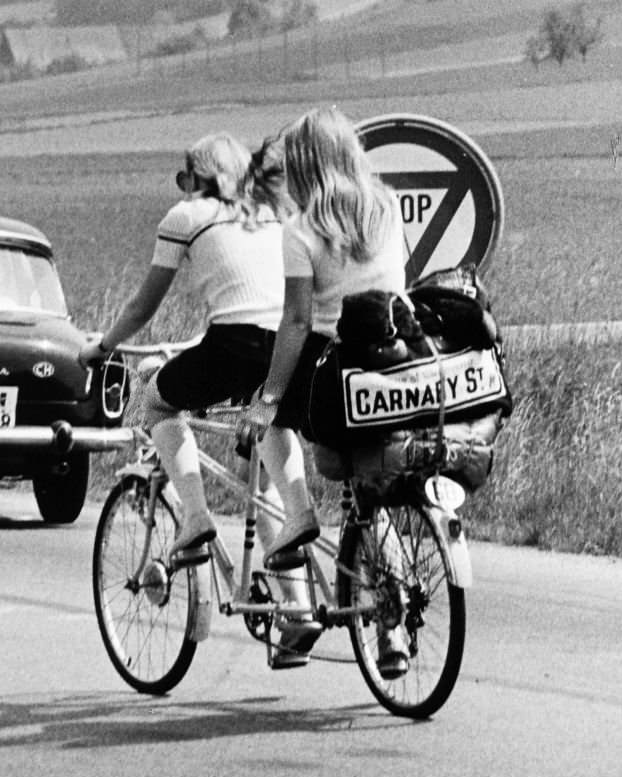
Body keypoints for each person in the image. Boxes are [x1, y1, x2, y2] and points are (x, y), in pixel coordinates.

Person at [242, 106, 411, 676]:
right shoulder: (388, 208)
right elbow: (397, 289)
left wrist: (266, 401)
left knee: (266, 415)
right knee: (371, 496)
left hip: (333, 373)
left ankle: (299, 514)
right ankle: (392, 635)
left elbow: (295, 323)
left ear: (307, 164)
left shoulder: (302, 230)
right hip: (392, 370)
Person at [79, 132, 288, 567]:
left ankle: (195, 517)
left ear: (197, 177)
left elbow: (143, 305)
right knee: (263, 486)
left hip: (234, 345)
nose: (183, 186)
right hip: (287, 350)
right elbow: (257, 298)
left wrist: (102, 345)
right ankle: (297, 608)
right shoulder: (269, 212)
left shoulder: (186, 215)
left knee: (157, 404)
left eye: (183, 177)